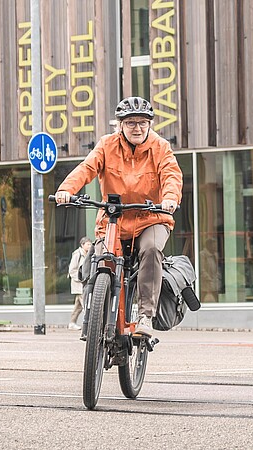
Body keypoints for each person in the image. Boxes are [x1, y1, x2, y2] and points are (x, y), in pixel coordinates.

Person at [54, 96, 183, 338]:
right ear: (120, 125)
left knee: (152, 249)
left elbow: (171, 176)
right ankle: (94, 319)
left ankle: (146, 315)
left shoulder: (161, 147)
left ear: (150, 125)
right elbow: (87, 168)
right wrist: (66, 190)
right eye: (131, 122)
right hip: (113, 219)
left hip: (150, 218)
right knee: (100, 258)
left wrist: (170, 199)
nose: (138, 128)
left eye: (143, 123)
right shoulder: (106, 145)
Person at [68, 236, 92, 330]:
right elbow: (72, 270)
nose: (90, 246)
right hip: (78, 284)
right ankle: (89, 323)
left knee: (78, 306)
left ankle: (72, 323)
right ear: (82, 245)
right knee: (85, 303)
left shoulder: (88, 254)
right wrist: (80, 279)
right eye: (88, 244)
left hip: (84, 283)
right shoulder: (77, 254)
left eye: (90, 244)